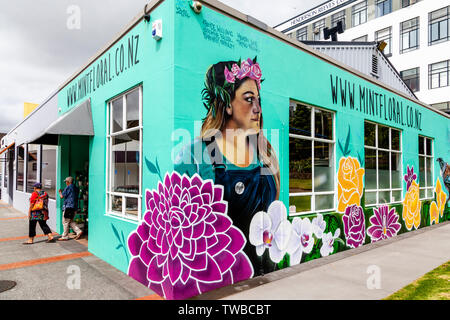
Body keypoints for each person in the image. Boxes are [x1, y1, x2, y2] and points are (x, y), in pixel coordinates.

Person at [174, 57, 280, 275]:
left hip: (267, 277)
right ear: (227, 104)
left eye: (258, 100)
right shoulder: (196, 156)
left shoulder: (266, 154)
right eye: (249, 99)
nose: (258, 108)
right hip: (219, 282)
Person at [58, 176, 82, 241]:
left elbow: (62, 196)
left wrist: (60, 192)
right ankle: (78, 231)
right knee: (70, 221)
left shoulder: (68, 187)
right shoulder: (76, 188)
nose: (65, 183)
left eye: (66, 181)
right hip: (74, 207)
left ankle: (65, 236)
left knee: (65, 221)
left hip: (68, 207)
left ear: (68, 182)